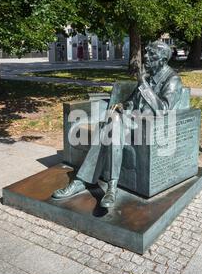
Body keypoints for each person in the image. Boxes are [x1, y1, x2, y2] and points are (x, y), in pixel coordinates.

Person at [52, 41, 184, 208]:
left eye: (152, 56)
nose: (146, 58)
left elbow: (163, 109)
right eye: (146, 54)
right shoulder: (149, 76)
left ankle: (83, 181)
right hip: (130, 122)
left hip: (150, 127)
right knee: (112, 124)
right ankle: (111, 187)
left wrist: (143, 85)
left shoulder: (172, 80)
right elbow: (132, 102)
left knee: (109, 127)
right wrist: (123, 106)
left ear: (163, 61)